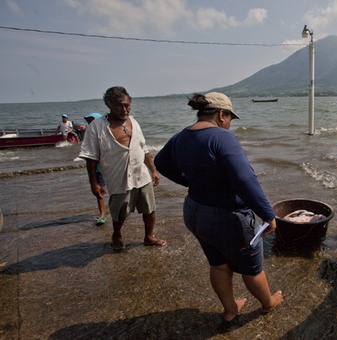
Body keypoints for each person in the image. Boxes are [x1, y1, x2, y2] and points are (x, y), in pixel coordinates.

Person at [154, 92, 283, 322]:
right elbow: (245, 181)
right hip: (227, 218)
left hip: (194, 212)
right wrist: (268, 214)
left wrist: (189, 181)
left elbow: (161, 163)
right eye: (230, 119)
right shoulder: (222, 138)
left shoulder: (181, 136)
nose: (230, 125)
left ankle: (230, 309)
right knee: (252, 268)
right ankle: (268, 303)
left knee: (219, 264)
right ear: (222, 114)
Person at [79, 86, 166, 249]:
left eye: (126, 105)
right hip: (118, 176)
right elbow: (90, 157)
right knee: (120, 211)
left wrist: (152, 170)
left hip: (141, 174)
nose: (124, 109)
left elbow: (143, 149)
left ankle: (149, 237)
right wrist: (93, 182)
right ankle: (117, 234)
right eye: (119, 105)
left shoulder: (134, 122)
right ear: (109, 105)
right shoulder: (97, 127)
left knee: (150, 208)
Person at [83, 112, 107, 226]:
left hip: (111, 168)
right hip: (98, 170)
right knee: (100, 191)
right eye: (88, 123)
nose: (90, 125)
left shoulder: (106, 135)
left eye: (92, 122)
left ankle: (120, 211)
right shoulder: (90, 137)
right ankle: (102, 213)